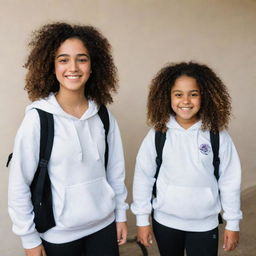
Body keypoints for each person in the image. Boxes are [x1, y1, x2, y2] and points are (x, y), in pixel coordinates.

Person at [8, 22, 128, 256]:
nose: (73, 67)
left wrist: (120, 215)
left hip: (103, 227)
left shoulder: (104, 116)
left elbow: (116, 171)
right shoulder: (38, 119)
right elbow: (18, 184)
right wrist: (29, 239)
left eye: (81, 59)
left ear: (93, 66)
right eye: (63, 59)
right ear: (51, 67)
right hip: (58, 234)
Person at [131, 62, 242, 256]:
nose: (186, 101)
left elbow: (229, 181)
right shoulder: (158, 134)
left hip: (204, 224)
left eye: (194, 94)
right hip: (165, 222)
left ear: (204, 96)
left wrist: (232, 222)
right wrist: (142, 220)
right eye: (178, 94)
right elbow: (143, 177)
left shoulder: (217, 135)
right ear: (168, 97)